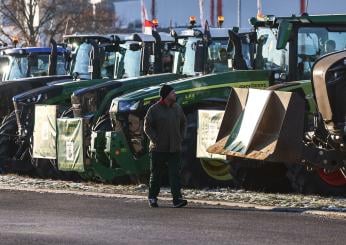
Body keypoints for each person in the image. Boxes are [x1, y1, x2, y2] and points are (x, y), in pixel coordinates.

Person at [144, 84, 187, 208]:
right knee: (156, 175)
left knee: (175, 175)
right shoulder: (154, 109)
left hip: (174, 148)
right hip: (158, 149)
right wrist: (155, 139)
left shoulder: (177, 108)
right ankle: (152, 197)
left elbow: (184, 122)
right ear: (166, 95)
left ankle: (177, 199)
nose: (175, 95)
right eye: (173, 93)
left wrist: (181, 137)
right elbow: (147, 127)